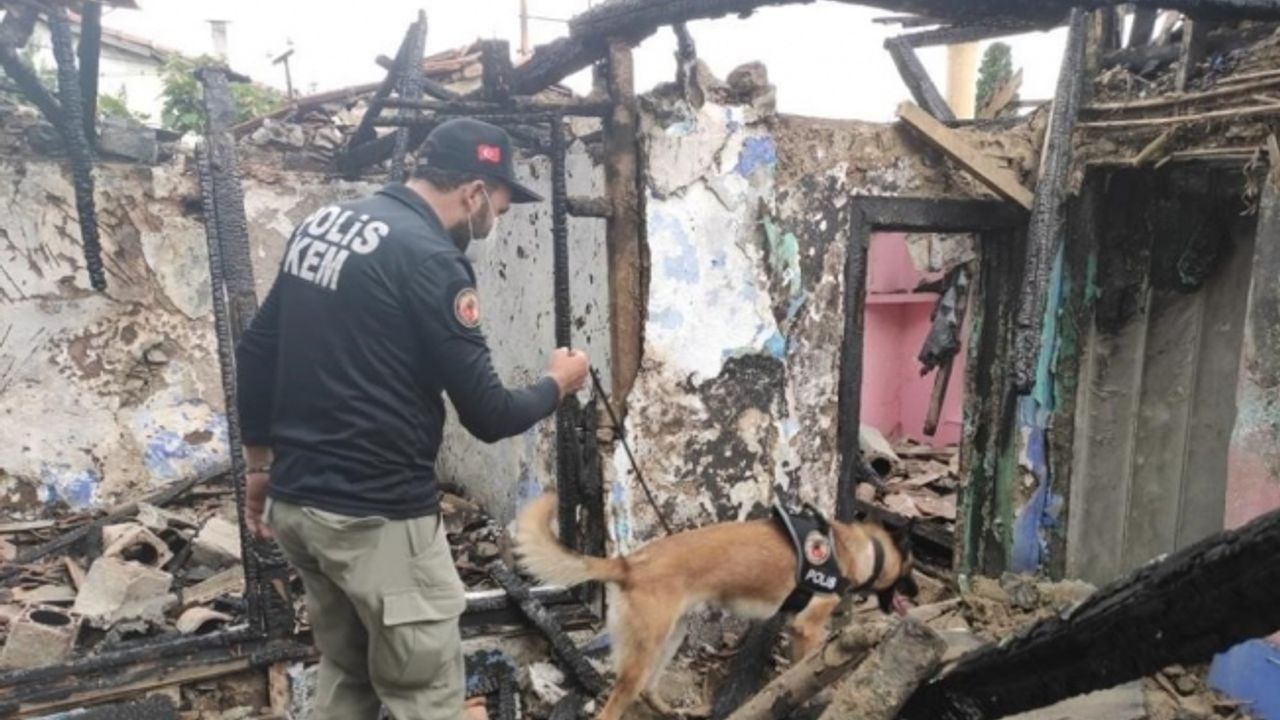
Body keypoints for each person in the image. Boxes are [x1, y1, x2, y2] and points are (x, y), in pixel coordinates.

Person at [233, 117, 589, 720]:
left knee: (347, 676)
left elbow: (256, 350)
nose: (494, 223)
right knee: (425, 699)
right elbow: (490, 414)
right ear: (474, 192)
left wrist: (259, 465)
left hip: (301, 509)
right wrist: (558, 383)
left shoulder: (323, 224)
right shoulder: (431, 259)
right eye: (498, 206)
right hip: (377, 522)